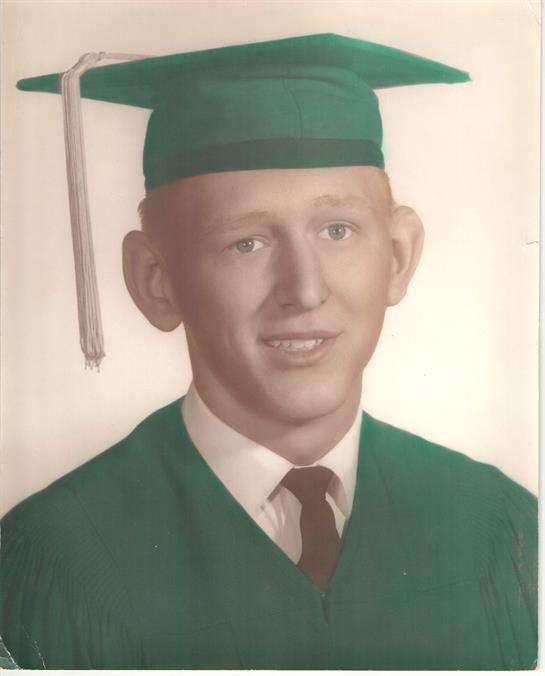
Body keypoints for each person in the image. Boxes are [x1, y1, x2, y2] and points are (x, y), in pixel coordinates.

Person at [0, 33, 537, 670]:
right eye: (246, 244)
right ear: (155, 280)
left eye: (338, 231)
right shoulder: (55, 559)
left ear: (397, 257)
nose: (304, 291)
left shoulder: (503, 530)